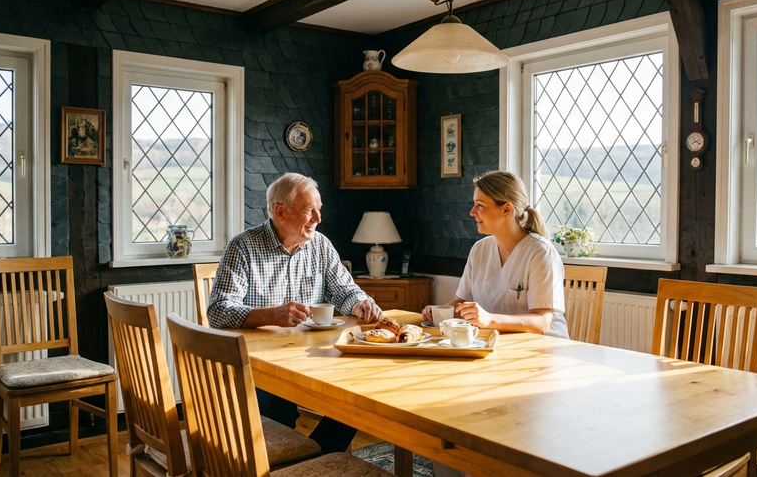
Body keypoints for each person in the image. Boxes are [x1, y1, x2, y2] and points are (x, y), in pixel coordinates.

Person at [207, 172, 382, 453]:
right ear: (280, 211)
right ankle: (296, 460)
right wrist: (270, 315)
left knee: (354, 404)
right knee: (276, 416)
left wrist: (360, 302)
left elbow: (345, 291)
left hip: (311, 360)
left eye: (319, 209)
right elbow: (218, 311)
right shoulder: (243, 247)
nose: (318, 218)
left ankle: (311, 459)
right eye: (309, 210)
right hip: (256, 368)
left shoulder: (321, 245)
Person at [423, 170, 569, 337]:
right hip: (496, 343)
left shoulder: (541, 252)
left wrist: (489, 320)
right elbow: (461, 303)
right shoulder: (479, 249)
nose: (472, 212)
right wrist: (440, 312)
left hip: (541, 350)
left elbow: (541, 322)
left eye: (480, 205)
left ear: (506, 209)